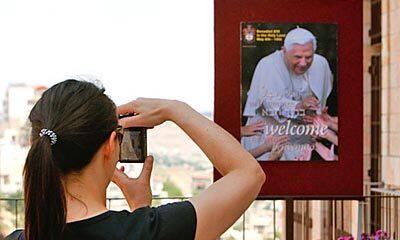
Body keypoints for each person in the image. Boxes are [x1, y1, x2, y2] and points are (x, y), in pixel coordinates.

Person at [7, 79, 265, 240]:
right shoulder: (153, 232)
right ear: (111, 145)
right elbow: (248, 174)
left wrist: (142, 214)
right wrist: (174, 109)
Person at [242, 27, 333, 160]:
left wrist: (315, 115)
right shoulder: (268, 64)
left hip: (300, 142)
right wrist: (299, 106)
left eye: (308, 57)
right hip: (266, 140)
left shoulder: (321, 64)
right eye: (297, 57)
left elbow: (323, 95)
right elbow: (270, 103)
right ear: (284, 51)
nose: (303, 63)